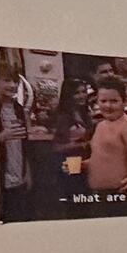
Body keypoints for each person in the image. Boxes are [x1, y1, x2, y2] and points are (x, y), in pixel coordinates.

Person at [86, 77, 127, 217]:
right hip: (98, 195)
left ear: (124, 102)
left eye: (114, 101)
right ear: (97, 102)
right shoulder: (100, 125)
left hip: (120, 194)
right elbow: (100, 159)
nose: (108, 106)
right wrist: (78, 166)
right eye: (103, 101)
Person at [51, 78, 94, 215]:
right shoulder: (63, 117)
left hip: (86, 161)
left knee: (87, 201)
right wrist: (82, 144)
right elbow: (57, 147)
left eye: (83, 91)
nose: (82, 95)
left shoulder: (85, 113)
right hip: (71, 161)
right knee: (76, 201)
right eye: (77, 93)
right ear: (69, 95)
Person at [0, 70, 33, 221]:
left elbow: (24, 144)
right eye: (6, 80)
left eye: (15, 81)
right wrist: (1, 137)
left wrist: (28, 172)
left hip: (19, 177)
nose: (12, 85)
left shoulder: (18, 108)